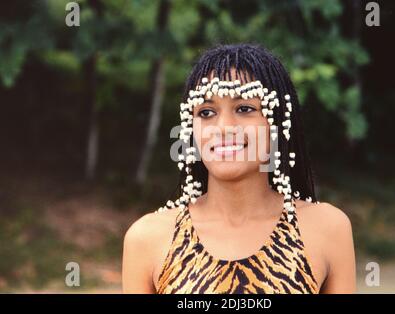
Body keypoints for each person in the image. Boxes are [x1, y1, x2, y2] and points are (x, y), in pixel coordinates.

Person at [122, 43, 356, 294]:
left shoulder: (327, 229)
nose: (223, 127)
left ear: (277, 121)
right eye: (207, 112)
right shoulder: (148, 238)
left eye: (244, 109)